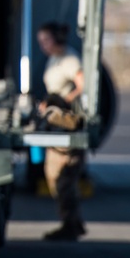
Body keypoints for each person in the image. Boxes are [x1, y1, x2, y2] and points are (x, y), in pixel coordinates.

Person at [36, 21, 87, 241]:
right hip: (56, 123)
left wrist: (62, 102)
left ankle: (70, 224)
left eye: (46, 40)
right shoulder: (56, 58)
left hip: (66, 123)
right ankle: (73, 222)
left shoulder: (69, 59)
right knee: (54, 176)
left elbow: (83, 85)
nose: (43, 46)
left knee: (63, 178)